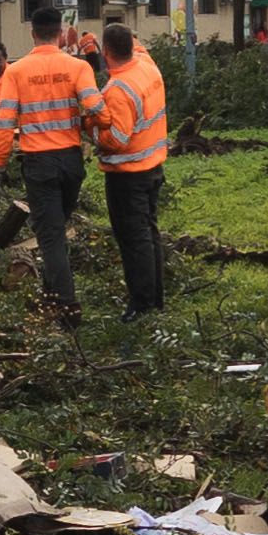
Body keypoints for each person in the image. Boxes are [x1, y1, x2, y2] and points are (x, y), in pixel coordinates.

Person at [0, 7, 99, 319]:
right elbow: (95, 107)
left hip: (39, 164)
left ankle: (67, 305)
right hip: (71, 163)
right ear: (61, 32)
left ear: (32, 33)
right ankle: (50, 295)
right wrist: (97, 137)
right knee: (56, 229)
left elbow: (4, 121)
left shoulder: (16, 71)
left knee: (50, 235)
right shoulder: (78, 67)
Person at [89, 22, 169, 317]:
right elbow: (137, 46)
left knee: (134, 241)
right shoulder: (147, 66)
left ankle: (141, 305)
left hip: (128, 175)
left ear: (105, 51)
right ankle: (155, 299)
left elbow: (117, 141)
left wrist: (92, 130)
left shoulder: (117, 91)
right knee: (149, 233)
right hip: (153, 166)